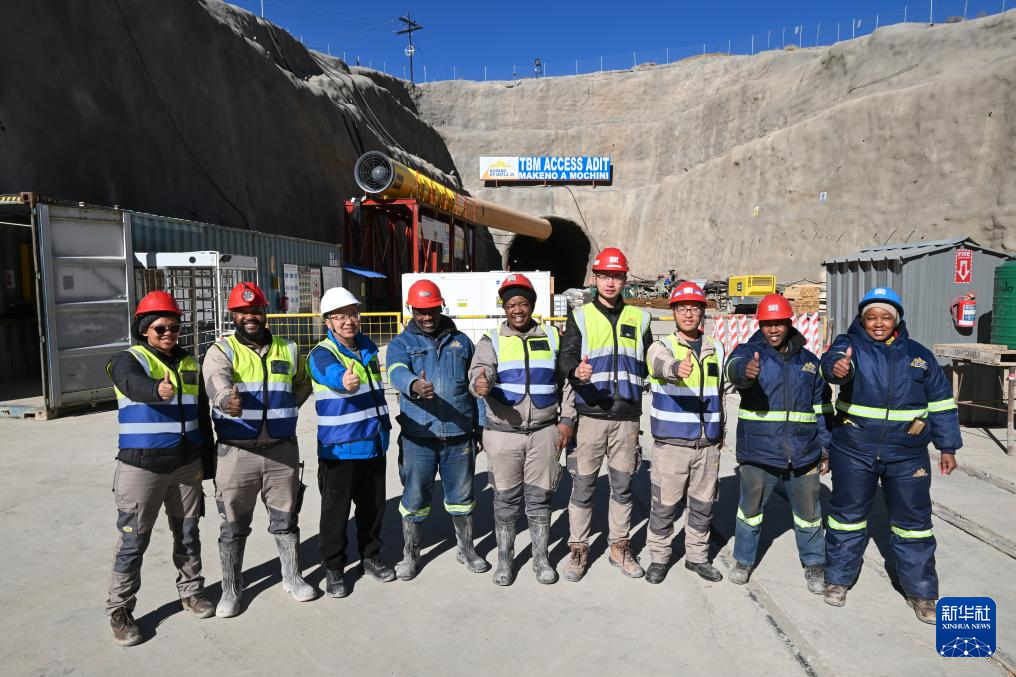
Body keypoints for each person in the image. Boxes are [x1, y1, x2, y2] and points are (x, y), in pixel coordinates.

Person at [820, 287, 961, 623]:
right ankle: (838, 579)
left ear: (897, 320)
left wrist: (948, 447)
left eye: (886, 317)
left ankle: (921, 592)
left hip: (907, 454)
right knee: (847, 516)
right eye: (871, 317)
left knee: (914, 524)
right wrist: (838, 369)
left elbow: (941, 403)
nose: (878, 323)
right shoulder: (849, 345)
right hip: (854, 448)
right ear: (862, 320)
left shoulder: (919, 355)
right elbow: (833, 364)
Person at [104, 291, 215, 646]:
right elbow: (131, 383)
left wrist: (208, 462)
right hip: (142, 467)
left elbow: (201, 415)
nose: (169, 333)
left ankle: (191, 592)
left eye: (174, 327)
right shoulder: (126, 359)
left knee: (188, 533)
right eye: (160, 328)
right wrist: (155, 389)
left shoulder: (189, 362)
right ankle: (120, 609)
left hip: (186, 465)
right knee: (133, 540)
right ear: (144, 329)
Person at [203, 281, 316, 617]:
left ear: (265, 312)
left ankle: (292, 577)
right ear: (233, 315)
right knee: (233, 525)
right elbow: (216, 380)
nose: (249, 316)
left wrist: (288, 407)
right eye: (242, 312)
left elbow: (302, 382)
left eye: (255, 310)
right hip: (237, 452)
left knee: (286, 519)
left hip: (282, 450)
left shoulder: (288, 348)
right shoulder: (221, 350)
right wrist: (226, 400)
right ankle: (230, 590)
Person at [468, 273, 576, 585]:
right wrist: (480, 383)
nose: (517, 309)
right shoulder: (491, 340)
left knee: (541, 497)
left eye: (523, 303)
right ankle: (505, 560)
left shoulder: (552, 336)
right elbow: (479, 372)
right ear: (504, 308)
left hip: (543, 432)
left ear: (532, 305)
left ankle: (541, 560)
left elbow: (566, 383)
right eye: (511, 304)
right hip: (503, 434)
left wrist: (567, 420)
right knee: (505, 498)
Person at [725, 293, 832, 592]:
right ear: (760, 325)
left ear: (789, 323)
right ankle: (743, 560)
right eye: (767, 324)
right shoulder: (749, 352)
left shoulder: (809, 362)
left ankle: (814, 563)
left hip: (804, 452)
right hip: (759, 452)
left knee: (810, 514)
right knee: (750, 511)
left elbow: (822, 408)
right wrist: (744, 373)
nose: (773, 329)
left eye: (779, 323)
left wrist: (825, 448)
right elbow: (733, 367)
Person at [558, 247, 652, 581]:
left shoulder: (640, 318)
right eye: (604, 276)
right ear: (594, 278)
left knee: (623, 487)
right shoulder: (581, 315)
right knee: (583, 486)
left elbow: (650, 362)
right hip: (591, 416)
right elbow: (566, 356)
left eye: (616, 276)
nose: (610, 282)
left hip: (626, 417)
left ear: (625, 279)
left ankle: (619, 547)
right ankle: (578, 548)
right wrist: (575, 372)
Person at [386, 279, 489, 580]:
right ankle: (410, 555)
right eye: (420, 311)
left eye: (431, 310)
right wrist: (413, 385)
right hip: (420, 437)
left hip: (459, 436)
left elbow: (475, 386)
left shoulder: (462, 342)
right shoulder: (401, 343)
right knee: (415, 498)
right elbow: (395, 371)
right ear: (411, 309)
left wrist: (480, 426)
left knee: (463, 498)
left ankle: (466, 550)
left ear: (441, 306)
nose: (427, 316)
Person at [308, 287, 393, 597]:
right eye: (340, 316)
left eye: (353, 314)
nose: (348, 321)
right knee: (335, 513)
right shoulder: (321, 353)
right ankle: (334, 569)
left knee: (373, 509)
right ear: (328, 322)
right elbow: (329, 374)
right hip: (340, 449)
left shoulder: (368, 349)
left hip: (373, 443)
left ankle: (370, 557)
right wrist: (343, 380)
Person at [644, 282, 725, 584]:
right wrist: (676, 368)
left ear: (702, 312)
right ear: (674, 313)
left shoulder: (716, 348)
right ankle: (659, 557)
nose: (688, 314)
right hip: (672, 444)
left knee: (703, 506)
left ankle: (697, 557)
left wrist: (720, 430)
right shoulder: (661, 346)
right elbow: (659, 366)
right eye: (682, 309)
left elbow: (719, 393)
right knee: (664, 506)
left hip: (707, 444)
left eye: (694, 308)